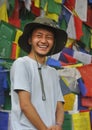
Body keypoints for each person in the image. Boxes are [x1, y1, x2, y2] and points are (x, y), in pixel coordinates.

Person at [10, 16, 67, 130]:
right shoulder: (21, 64)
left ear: (53, 43)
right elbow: (25, 105)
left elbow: (59, 106)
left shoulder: (53, 73)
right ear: (30, 40)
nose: (44, 41)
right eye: (39, 36)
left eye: (49, 37)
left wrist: (58, 125)